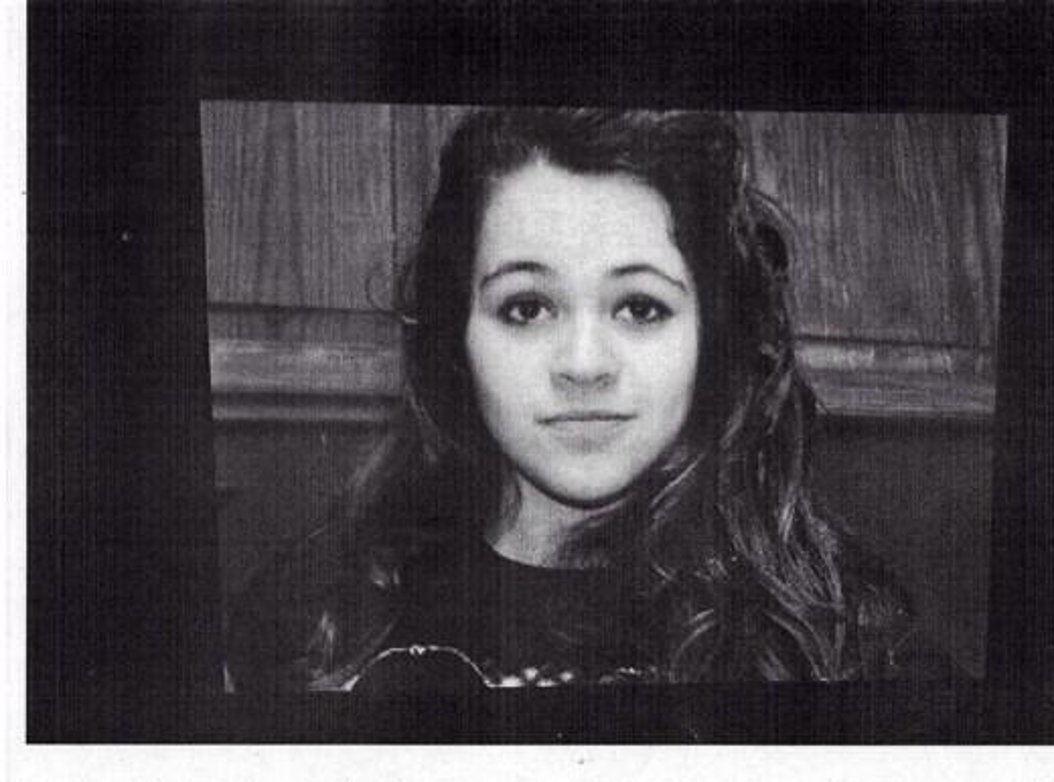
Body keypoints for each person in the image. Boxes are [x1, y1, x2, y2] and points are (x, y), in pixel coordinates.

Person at [226, 107, 942, 693]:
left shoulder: (845, 632)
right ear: (456, 336)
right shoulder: (309, 612)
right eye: (527, 308)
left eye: (641, 307)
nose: (583, 366)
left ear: (713, 337)